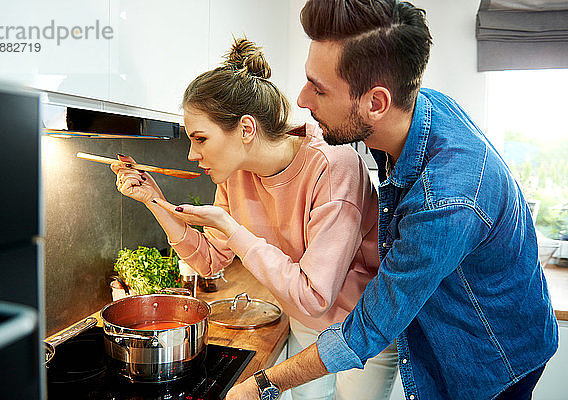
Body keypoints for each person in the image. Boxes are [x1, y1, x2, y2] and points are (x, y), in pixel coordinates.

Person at [225, 1, 559, 399]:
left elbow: (369, 328)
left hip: (492, 357)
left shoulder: (445, 202)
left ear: (375, 103)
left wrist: (264, 382)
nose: (301, 99)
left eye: (319, 88)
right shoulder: (414, 109)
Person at [112, 37, 398, 400]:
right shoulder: (235, 172)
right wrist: (154, 201)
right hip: (306, 323)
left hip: (362, 328)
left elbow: (315, 294)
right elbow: (209, 261)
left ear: (246, 129)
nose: (191, 153)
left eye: (200, 139)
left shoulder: (334, 165)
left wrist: (231, 229)